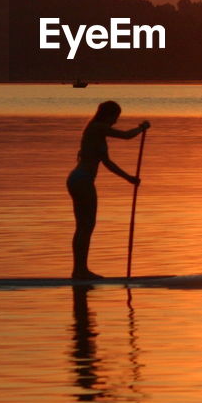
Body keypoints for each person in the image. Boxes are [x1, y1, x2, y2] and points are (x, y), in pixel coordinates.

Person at [67, 101, 149, 279]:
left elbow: (108, 163)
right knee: (85, 226)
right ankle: (80, 270)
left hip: (78, 180)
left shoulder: (95, 133)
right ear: (108, 115)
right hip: (82, 181)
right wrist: (142, 128)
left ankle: (79, 270)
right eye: (115, 117)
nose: (115, 122)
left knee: (84, 226)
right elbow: (127, 136)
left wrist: (129, 179)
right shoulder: (97, 128)